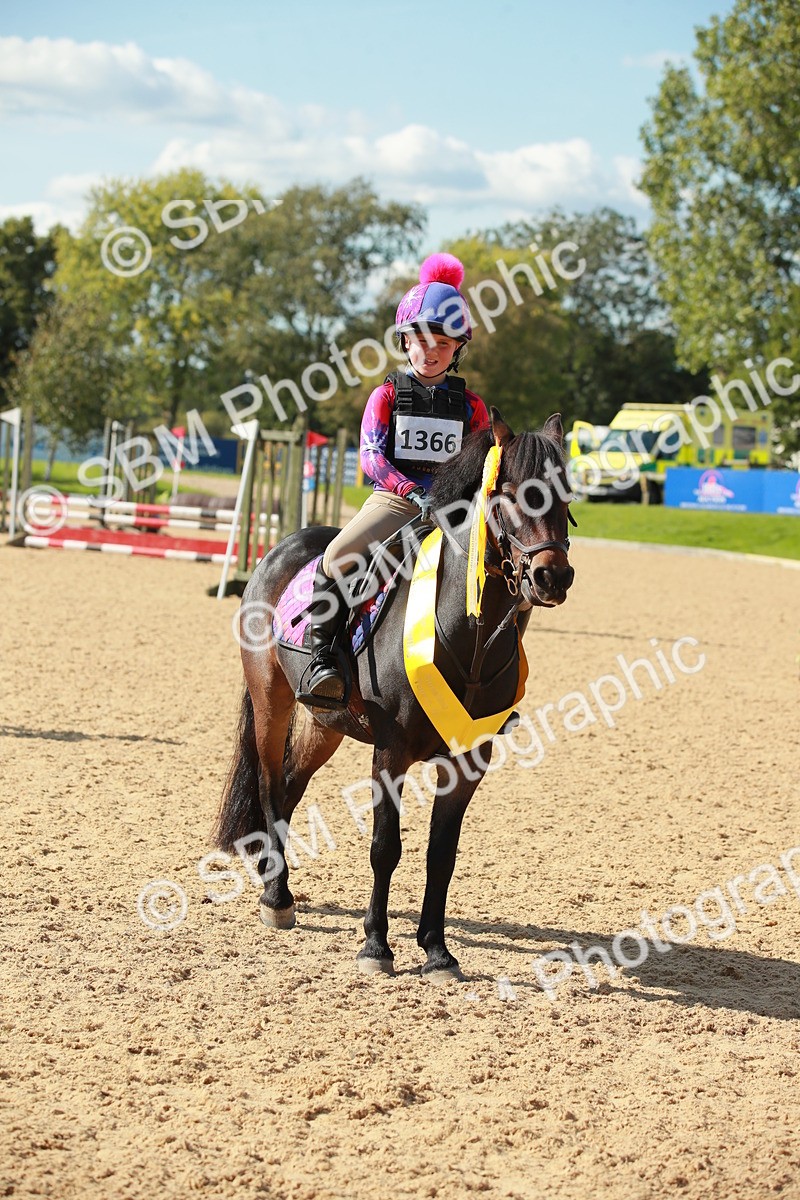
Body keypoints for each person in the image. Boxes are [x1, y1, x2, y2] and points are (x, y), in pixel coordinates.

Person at [296, 253, 490, 708]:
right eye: (421, 340)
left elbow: (483, 463)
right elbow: (371, 457)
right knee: (338, 555)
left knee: (502, 571)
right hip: (398, 501)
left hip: (454, 508)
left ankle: (492, 686)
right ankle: (322, 658)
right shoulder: (385, 396)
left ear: (457, 348)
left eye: (444, 342)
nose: (432, 350)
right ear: (405, 343)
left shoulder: (472, 407)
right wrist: (411, 491)